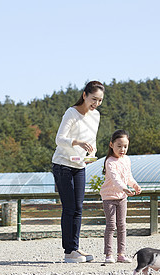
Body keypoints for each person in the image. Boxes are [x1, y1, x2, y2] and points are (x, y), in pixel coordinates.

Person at [52, 80, 105, 263]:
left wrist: (92, 153)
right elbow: (59, 139)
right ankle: (69, 252)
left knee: (79, 208)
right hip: (62, 164)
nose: (96, 104)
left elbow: (93, 141)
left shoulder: (96, 116)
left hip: (80, 164)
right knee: (69, 208)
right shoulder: (71, 113)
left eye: (99, 100)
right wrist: (77, 142)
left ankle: (74, 248)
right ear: (84, 95)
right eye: (93, 99)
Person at [99, 129, 142, 263]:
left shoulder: (126, 160)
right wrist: (124, 188)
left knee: (122, 225)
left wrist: (134, 185)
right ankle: (108, 254)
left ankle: (121, 254)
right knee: (111, 225)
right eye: (119, 146)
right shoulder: (110, 162)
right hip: (109, 197)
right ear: (111, 145)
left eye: (125, 146)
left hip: (122, 197)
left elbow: (128, 176)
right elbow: (115, 178)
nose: (122, 149)